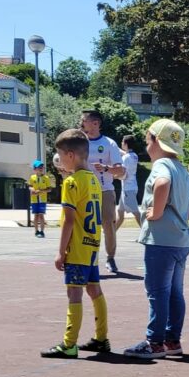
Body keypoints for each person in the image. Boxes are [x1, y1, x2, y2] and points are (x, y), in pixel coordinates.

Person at [123, 119, 189, 359]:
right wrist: (183, 217)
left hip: (160, 240)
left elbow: (162, 183)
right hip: (180, 241)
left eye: (147, 141)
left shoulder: (161, 165)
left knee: (157, 291)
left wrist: (158, 212)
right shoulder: (181, 169)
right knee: (174, 292)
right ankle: (173, 341)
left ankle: (155, 342)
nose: (146, 147)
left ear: (155, 141)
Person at [40, 129, 111, 358]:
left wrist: (61, 252)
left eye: (59, 155)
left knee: (74, 293)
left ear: (70, 155)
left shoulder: (71, 183)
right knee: (94, 289)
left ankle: (69, 344)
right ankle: (101, 338)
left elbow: (69, 220)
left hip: (78, 248)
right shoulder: (93, 180)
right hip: (92, 246)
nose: (58, 160)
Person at [79, 110, 126, 273]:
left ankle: (110, 258)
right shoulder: (79, 142)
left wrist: (106, 168)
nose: (81, 123)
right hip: (83, 191)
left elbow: (121, 172)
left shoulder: (109, 143)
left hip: (104, 190)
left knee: (108, 225)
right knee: (85, 227)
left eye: (84, 120)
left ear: (96, 123)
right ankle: (88, 259)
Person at [116, 135, 142, 230]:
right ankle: (111, 233)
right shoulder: (134, 156)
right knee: (120, 213)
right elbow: (126, 154)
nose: (121, 143)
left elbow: (123, 175)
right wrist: (116, 148)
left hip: (128, 189)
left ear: (126, 144)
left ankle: (147, 233)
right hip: (131, 187)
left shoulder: (125, 158)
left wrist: (115, 176)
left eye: (122, 142)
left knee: (136, 213)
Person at [28, 159, 55, 238]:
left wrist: (41, 191)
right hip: (34, 200)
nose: (41, 168)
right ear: (34, 169)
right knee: (36, 215)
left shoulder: (46, 178)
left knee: (41, 215)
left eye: (42, 167)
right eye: (39, 167)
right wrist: (32, 189)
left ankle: (42, 231)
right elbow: (30, 186)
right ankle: (36, 231)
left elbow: (49, 189)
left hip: (42, 200)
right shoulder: (32, 177)